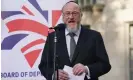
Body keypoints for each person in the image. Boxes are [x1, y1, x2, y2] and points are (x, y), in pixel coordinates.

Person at [39, 1, 111, 80]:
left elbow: (105, 65)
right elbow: (43, 65)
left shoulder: (94, 36)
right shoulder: (53, 37)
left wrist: (86, 69)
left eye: (75, 13)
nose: (71, 16)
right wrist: (54, 74)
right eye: (67, 13)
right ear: (63, 17)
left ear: (81, 16)